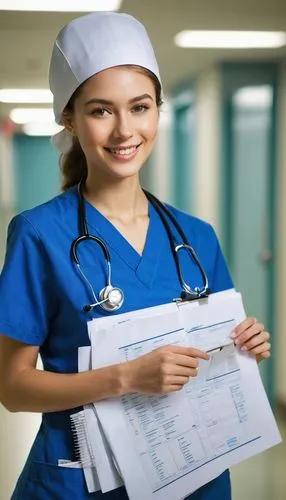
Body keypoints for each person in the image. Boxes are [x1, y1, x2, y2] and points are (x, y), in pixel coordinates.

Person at [0, 11, 271, 500]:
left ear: (157, 111)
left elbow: (214, 357)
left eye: (140, 107)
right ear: (70, 117)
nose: (125, 130)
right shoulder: (38, 234)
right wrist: (126, 377)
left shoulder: (196, 237)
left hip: (195, 471)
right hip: (80, 481)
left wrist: (243, 345)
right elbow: (12, 387)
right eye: (101, 110)